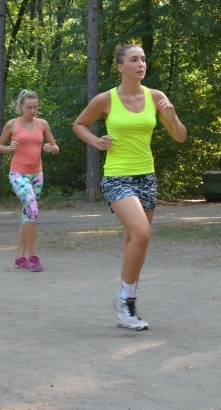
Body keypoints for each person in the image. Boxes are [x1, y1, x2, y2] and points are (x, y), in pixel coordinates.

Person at [73, 44, 187, 330]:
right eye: (134, 59)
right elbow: (79, 125)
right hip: (117, 176)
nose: (141, 64)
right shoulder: (106, 99)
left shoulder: (157, 97)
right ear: (120, 67)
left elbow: (180, 137)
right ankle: (127, 303)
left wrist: (171, 117)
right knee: (142, 233)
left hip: (146, 176)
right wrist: (95, 141)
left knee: (134, 242)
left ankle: (125, 300)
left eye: (144, 59)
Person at [0, 89, 60, 271]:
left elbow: (56, 147)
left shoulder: (43, 124)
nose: (33, 110)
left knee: (28, 214)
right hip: (18, 174)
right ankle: (33, 256)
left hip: (37, 174)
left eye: (35, 107)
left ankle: (19, 257)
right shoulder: (12, 125)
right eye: (29, 107)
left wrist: (51, 148)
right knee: (32, 208)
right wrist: (9, 148)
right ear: (21, 107)